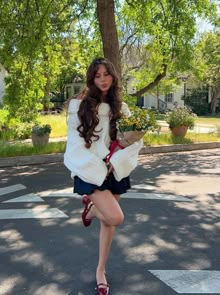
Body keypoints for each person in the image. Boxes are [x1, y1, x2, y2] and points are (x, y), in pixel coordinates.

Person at [64, 57, 142, 295]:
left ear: (113, 76)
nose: (102, 79)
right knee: (115, 217)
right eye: (97, 76)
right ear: (91, 79)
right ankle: (92, 208)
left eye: (106, 74)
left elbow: (134, 141)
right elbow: (75, 142)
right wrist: (98, 165)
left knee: (108, 223)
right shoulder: (80, 106)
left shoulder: (122, 107)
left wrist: (115, 162)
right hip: (91, 169)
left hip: (115, 170)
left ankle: (100, 270)